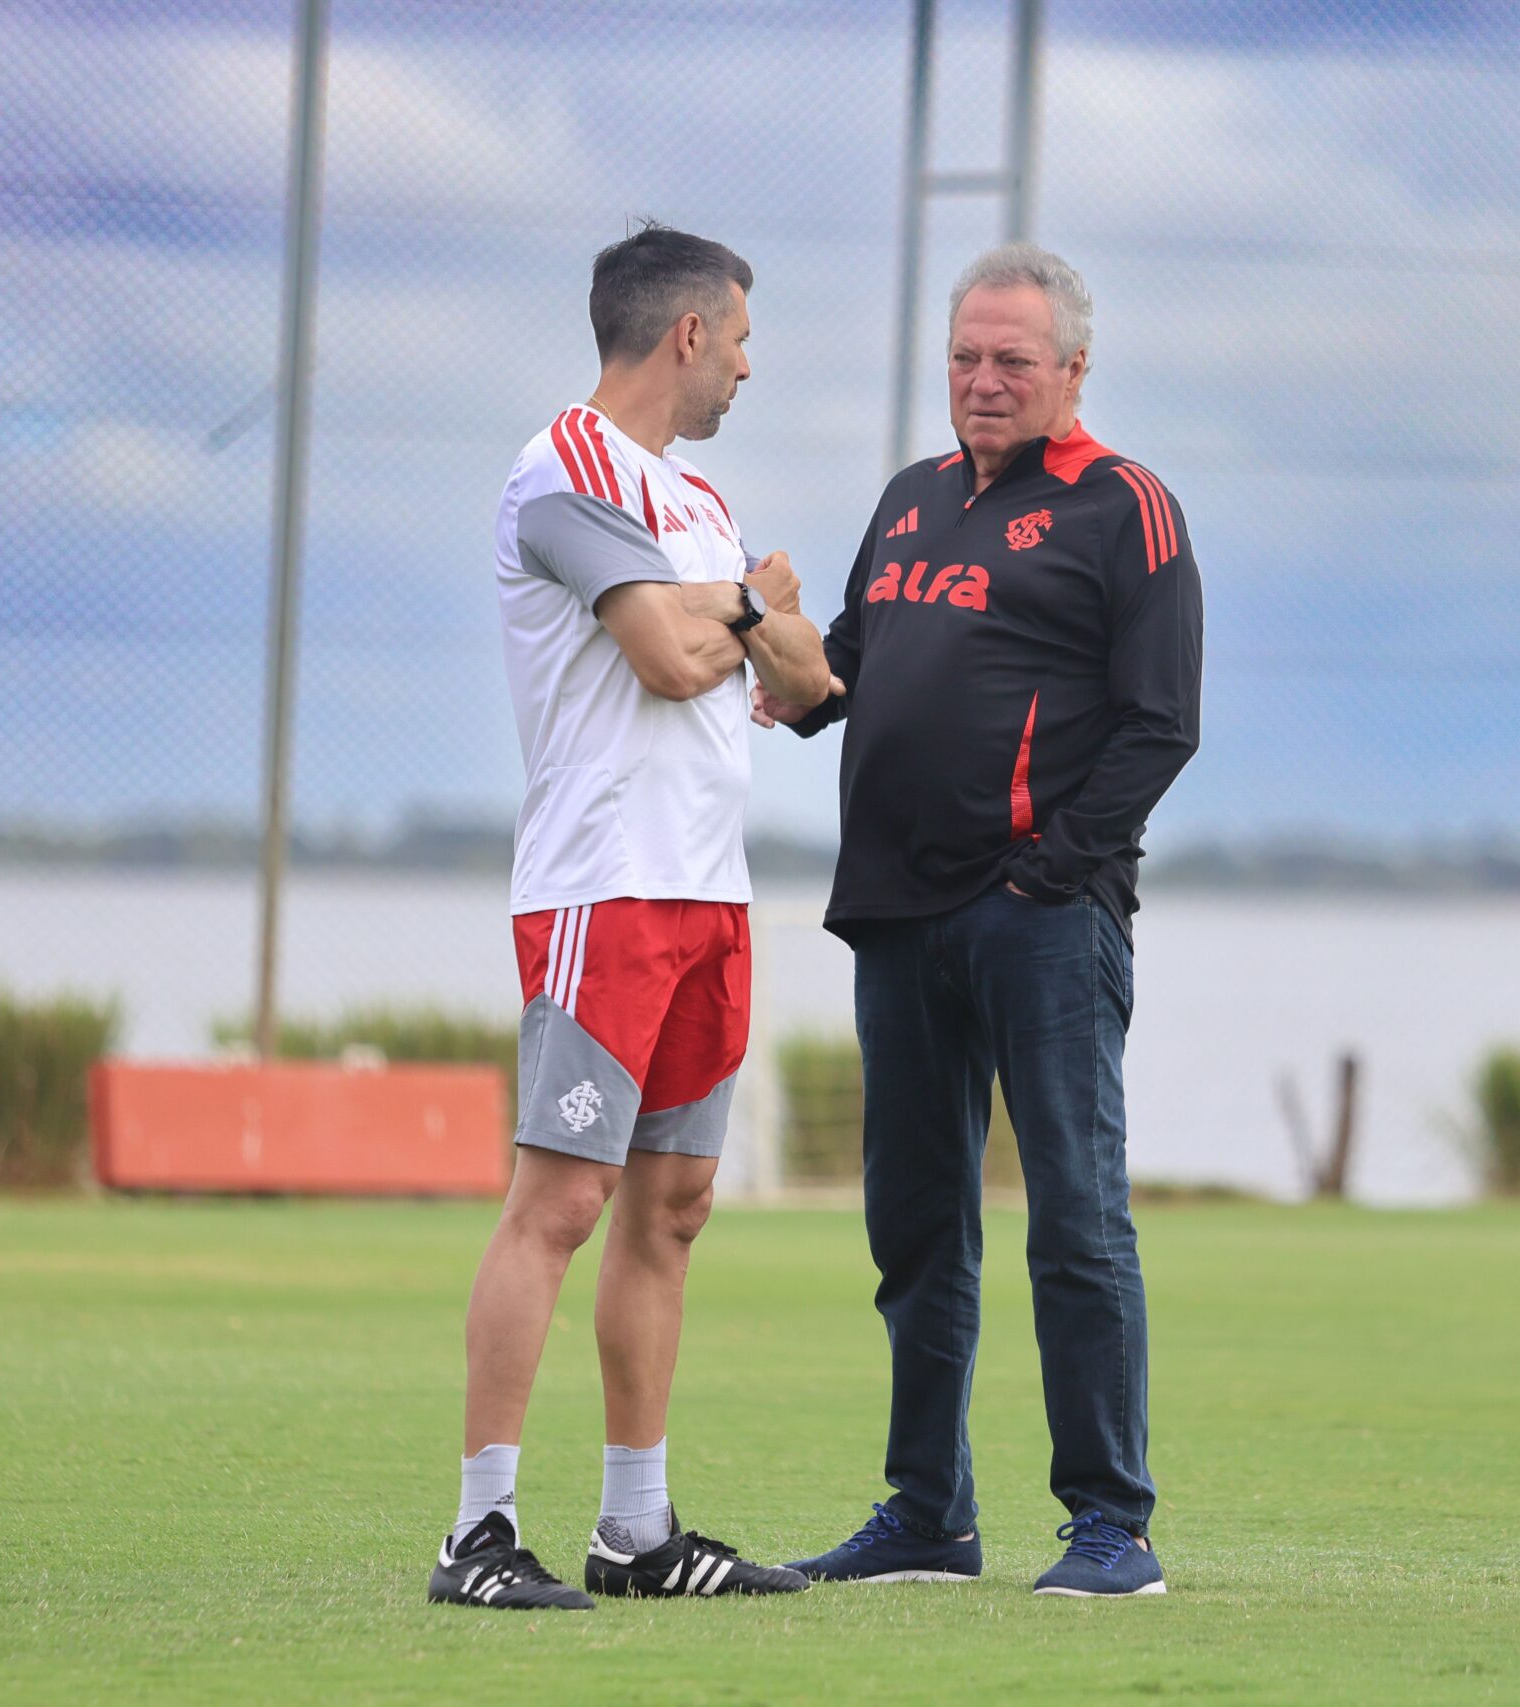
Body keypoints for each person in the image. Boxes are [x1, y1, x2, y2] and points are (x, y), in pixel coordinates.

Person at [764, 243, 1204, 1598]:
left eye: (1014, 359)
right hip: (893, 918)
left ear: (1074, 369)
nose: (984, 380)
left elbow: (1159, 727)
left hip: (1040, 923)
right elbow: (836, 678)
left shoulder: (1128, 508)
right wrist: (758, 633)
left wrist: (1049, 871)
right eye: (966, 356)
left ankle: (1111, 1525)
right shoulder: (907, 503)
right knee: (914, 1225)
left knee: (1074, 1217)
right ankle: (927, 1516)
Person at [431, 224, 832, 1611]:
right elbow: (674, 659)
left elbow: (803, 684)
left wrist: (753, 621)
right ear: (686, 336)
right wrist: (744, 612)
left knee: (674, 1208)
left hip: (710, 898)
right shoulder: (565, 469)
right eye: (738, 341)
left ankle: (638, 1532)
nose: (744, 370)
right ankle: (477, 1532)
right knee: (560, 1203)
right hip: (606, 888)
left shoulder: (701, 507)